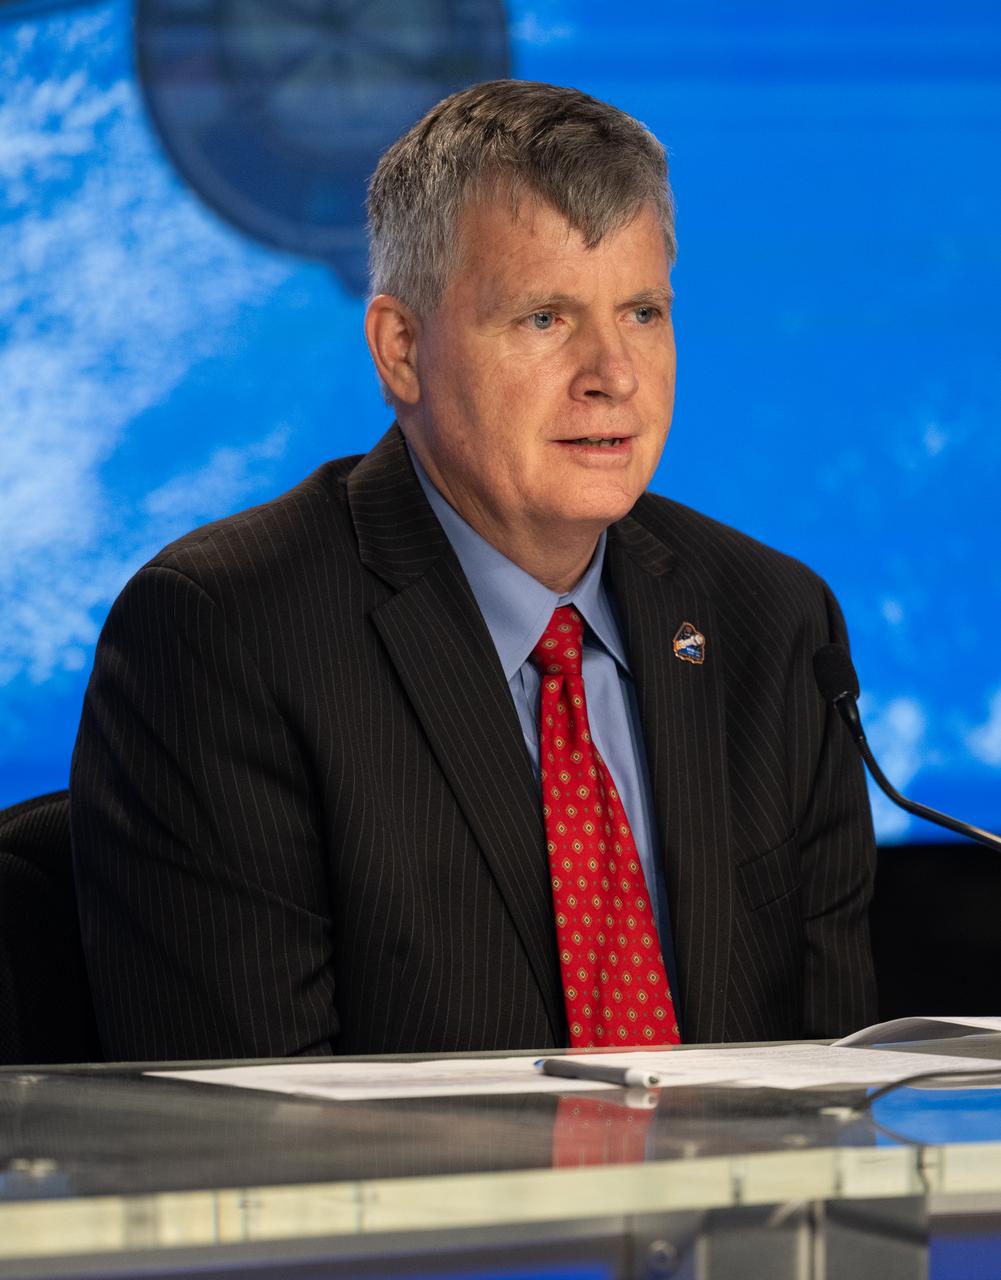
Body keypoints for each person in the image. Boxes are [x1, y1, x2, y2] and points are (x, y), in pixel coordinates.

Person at [70, 80, 877, 1061]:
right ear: (400, 350)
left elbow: (834, 1098)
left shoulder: (773, 623)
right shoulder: (223, 637)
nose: (611, 373)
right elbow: (246, 1133)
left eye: (640, 312)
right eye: (544, 317)